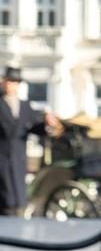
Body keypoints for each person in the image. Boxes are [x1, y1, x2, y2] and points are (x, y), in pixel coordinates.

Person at [0, 66, 61, 216]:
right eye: (9, 81)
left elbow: (34, 128)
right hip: (2, 157)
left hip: (19, 157)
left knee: (18, 198)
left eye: (15, 82)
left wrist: (47, 124)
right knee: (5, 197)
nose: (11, 85)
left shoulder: (25, 105)